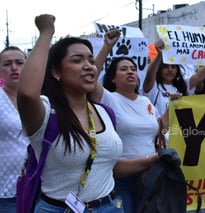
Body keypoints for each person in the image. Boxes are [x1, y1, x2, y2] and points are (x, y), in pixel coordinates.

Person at [17, 14, 158, 213]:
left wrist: (150, 161)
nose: (89, 66)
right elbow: (27, 93)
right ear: (56, 72)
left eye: (91, 61)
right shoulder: (46, 112)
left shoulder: (104, 112)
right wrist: (46, 32)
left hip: (111, 206)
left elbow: (106, 166)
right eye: (77, 60)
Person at [89, 31, 175, 213]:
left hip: (152, 176)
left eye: (133, 69)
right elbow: (90, 77)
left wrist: (173, 106)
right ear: (113, 78)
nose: (130, 72)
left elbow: (160, 128)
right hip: (122, 178)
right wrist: (107, 46)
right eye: (124, 69)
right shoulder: (109, 99)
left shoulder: (145, 102)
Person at [143, 38, 205, 117]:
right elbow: (150, 76)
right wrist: (159, 55)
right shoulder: (153, 87)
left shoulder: (183, 85)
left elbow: (200, 75)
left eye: (173, 67)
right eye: (165, 67)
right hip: (160, 128)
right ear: (159, 69)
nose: (170, 70)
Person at [0, 46, 29, 212]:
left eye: (19, 63)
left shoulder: (40, 100)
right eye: (7, 64)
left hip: (39, 185)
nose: (14, 68)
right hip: (6, 189)